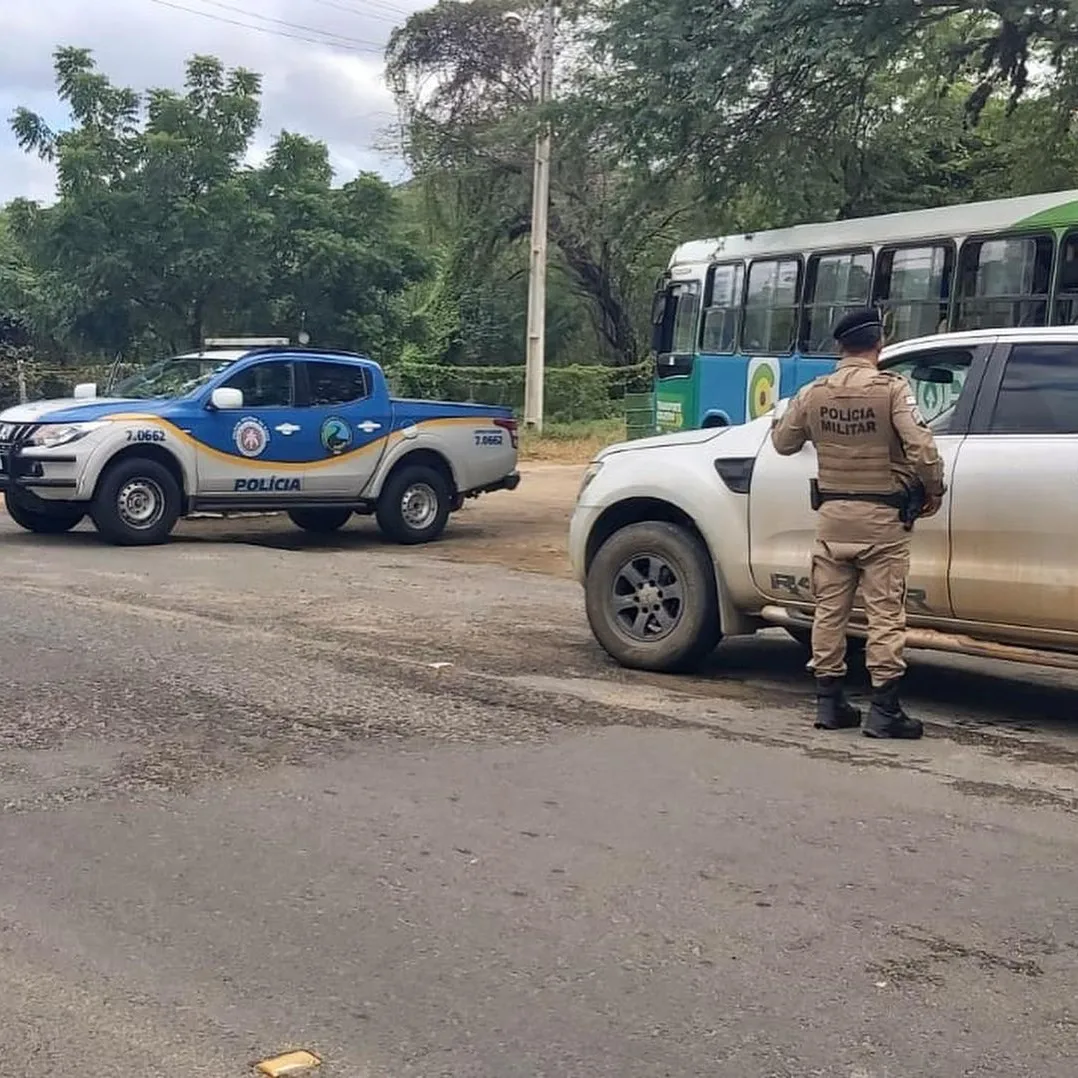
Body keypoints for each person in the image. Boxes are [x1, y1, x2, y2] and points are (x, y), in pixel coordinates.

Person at [769, 307, 946, 739]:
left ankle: (829, 705)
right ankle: (884, 712)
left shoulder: (814, 393)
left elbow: (782, 442)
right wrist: (934, 490)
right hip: (882, 522)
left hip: (832, 521)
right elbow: (921, 448)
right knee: (885, 612)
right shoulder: (891, 390)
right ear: (879, 344)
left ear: (840, 346)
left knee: (830, 611)